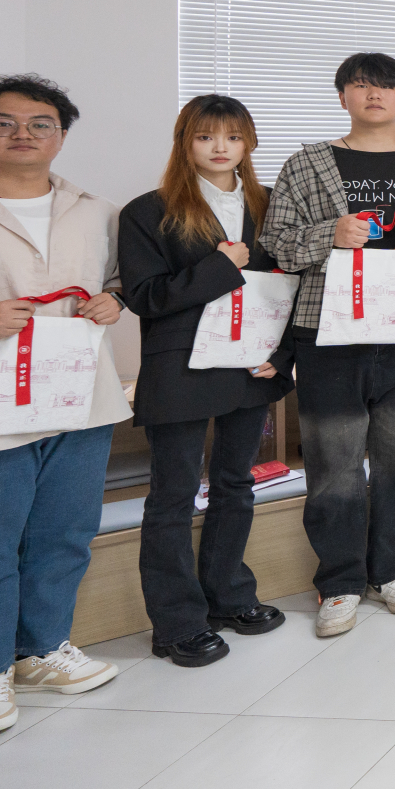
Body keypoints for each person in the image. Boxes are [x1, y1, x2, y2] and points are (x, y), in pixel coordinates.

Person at [258, 52, 395, 638]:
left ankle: (394, 570)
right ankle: (340, 581)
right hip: (328, 331)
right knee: (333, 463)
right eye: (362, 85)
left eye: (387, 86)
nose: (375, 94)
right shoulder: (306, 163)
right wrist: (331, 233)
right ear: (343, 95)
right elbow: (276, 243)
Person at [0, 74, 129, 742]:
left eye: (40, 124)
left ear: (61, 137)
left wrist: (114, 301)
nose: (23, 134)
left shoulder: (98, 211)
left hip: (80, 398)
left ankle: (40, 649)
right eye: (2, 123)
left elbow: (120, 281)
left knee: (65, 533)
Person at [118, 95, 293, 669]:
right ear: (184, 142)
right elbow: (144, 297)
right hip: (181, 368)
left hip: (250, 364)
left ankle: (229, 596)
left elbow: (294, 288)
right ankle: (176, 623)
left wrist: (283, 355)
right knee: (172, 495)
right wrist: (220, 266)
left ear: (249, 144)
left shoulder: (271, 204)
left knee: (236, 484)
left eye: (233, 137)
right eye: (206, 136)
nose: (221, 148)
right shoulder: (149, 211)